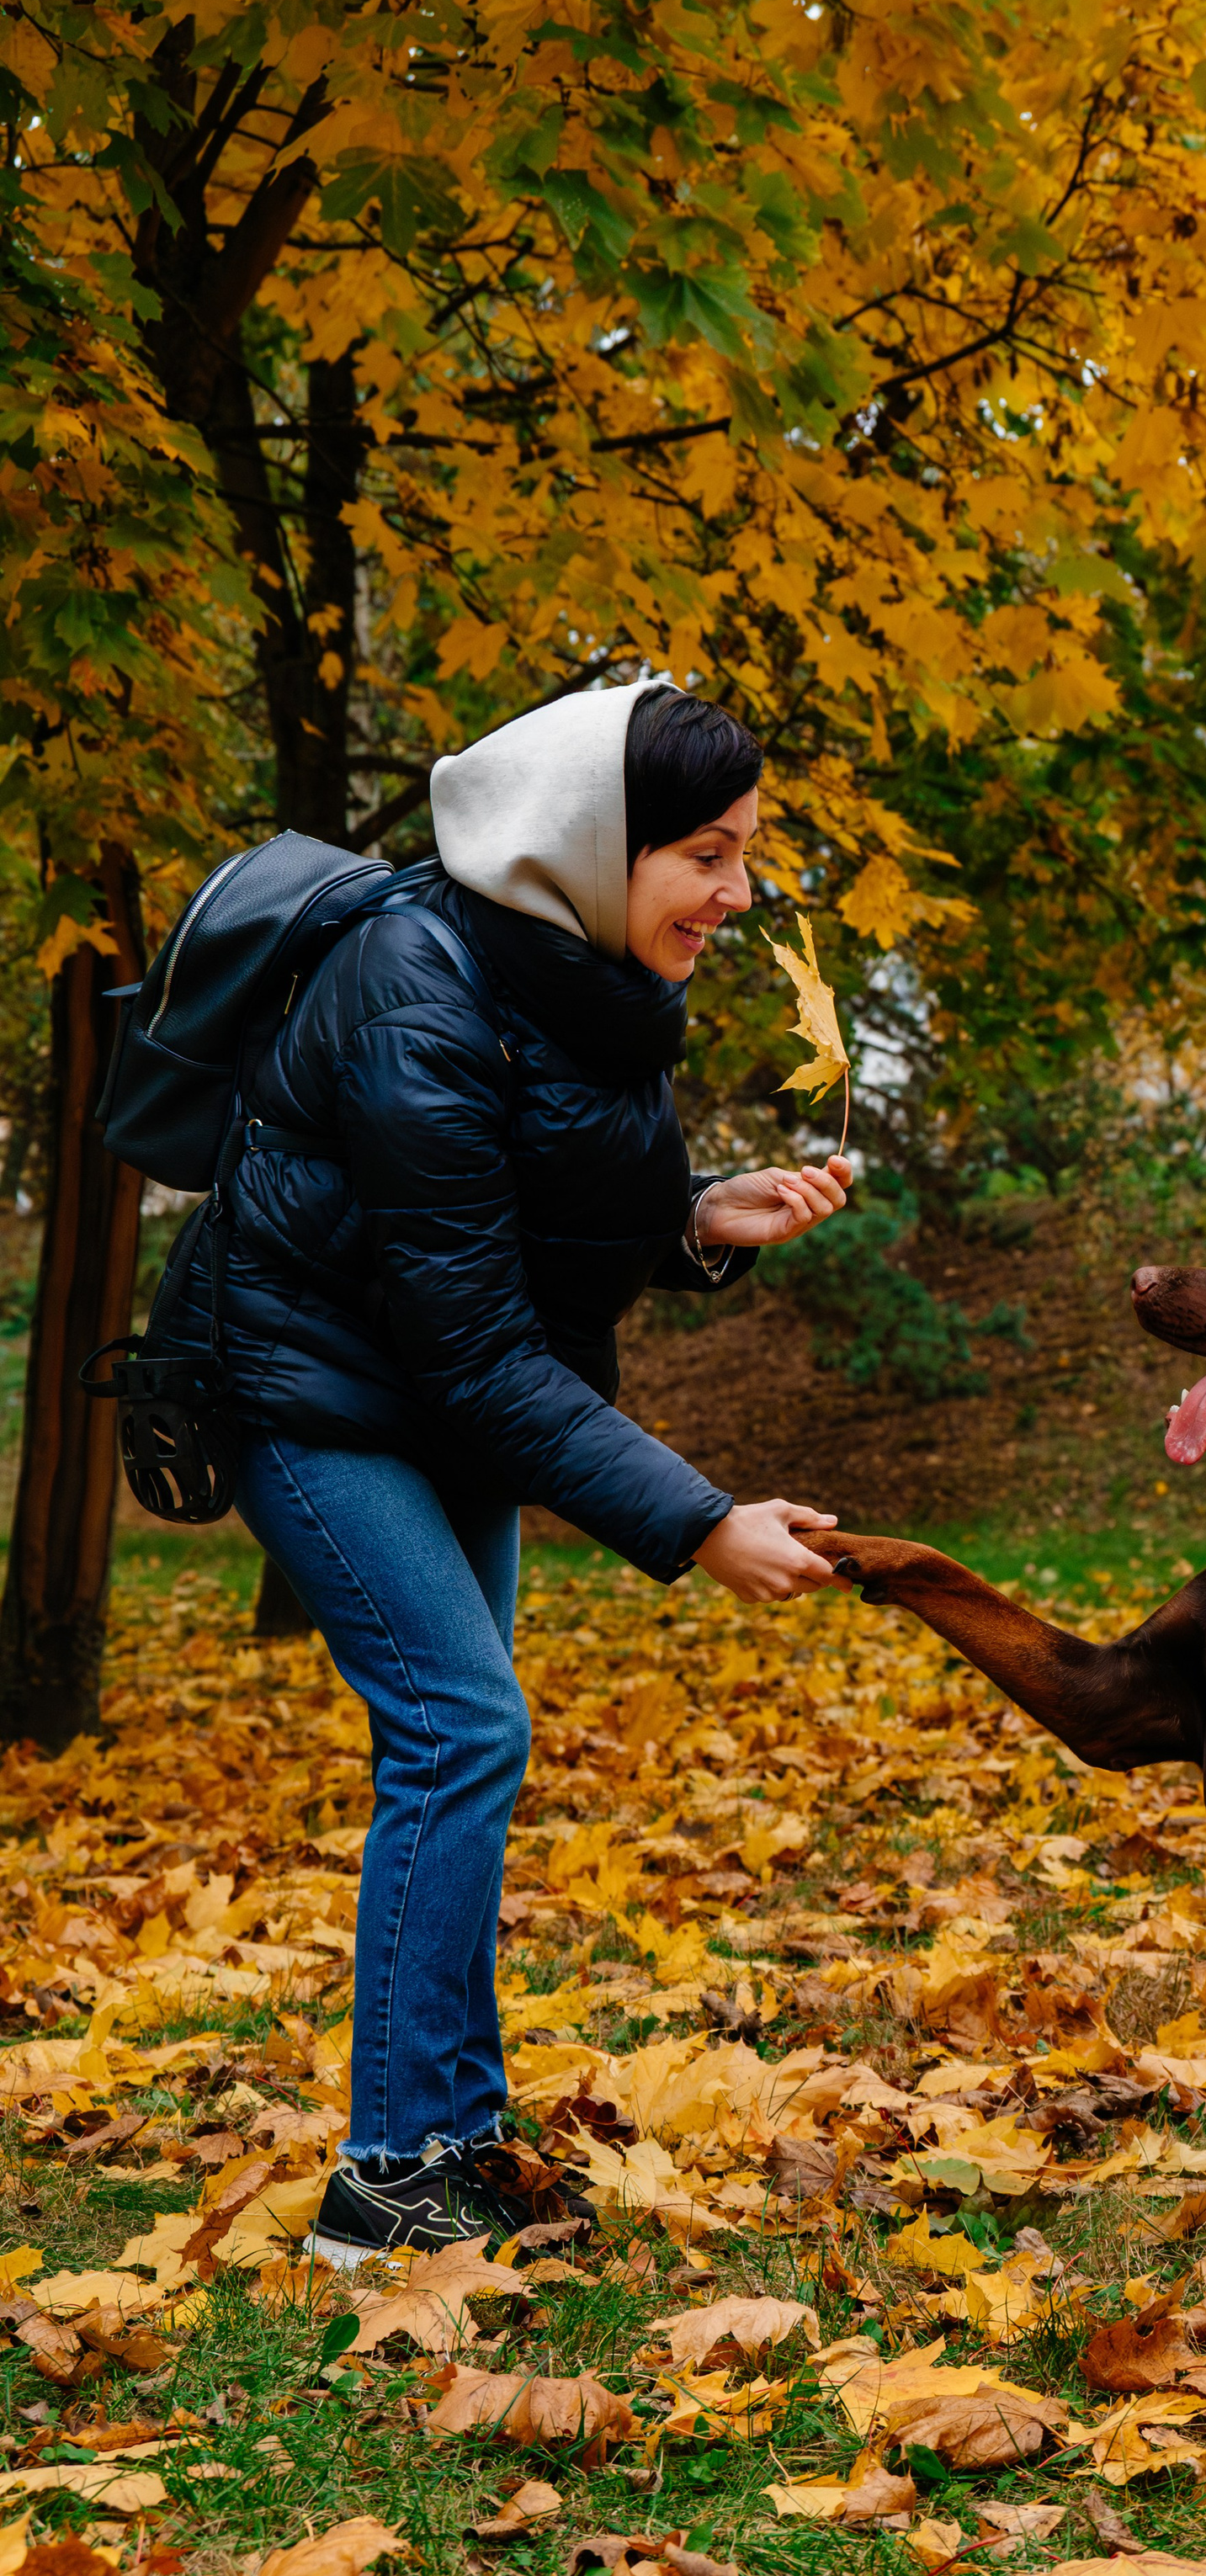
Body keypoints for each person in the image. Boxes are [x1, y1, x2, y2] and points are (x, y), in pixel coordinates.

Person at [155, 678, 847, 2264]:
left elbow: (510, 1235)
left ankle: (456, 2135)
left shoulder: (581, 972)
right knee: (461, 1727)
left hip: (434, 1396)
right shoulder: (417, 981)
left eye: (745, 857)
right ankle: (384, 2176)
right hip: (313, 1398)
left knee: (470, 1744)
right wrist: (695, 1521)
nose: (736, 896)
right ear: (598, 844)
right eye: (709, 857)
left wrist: (690, 1225)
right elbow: (470, 1334)